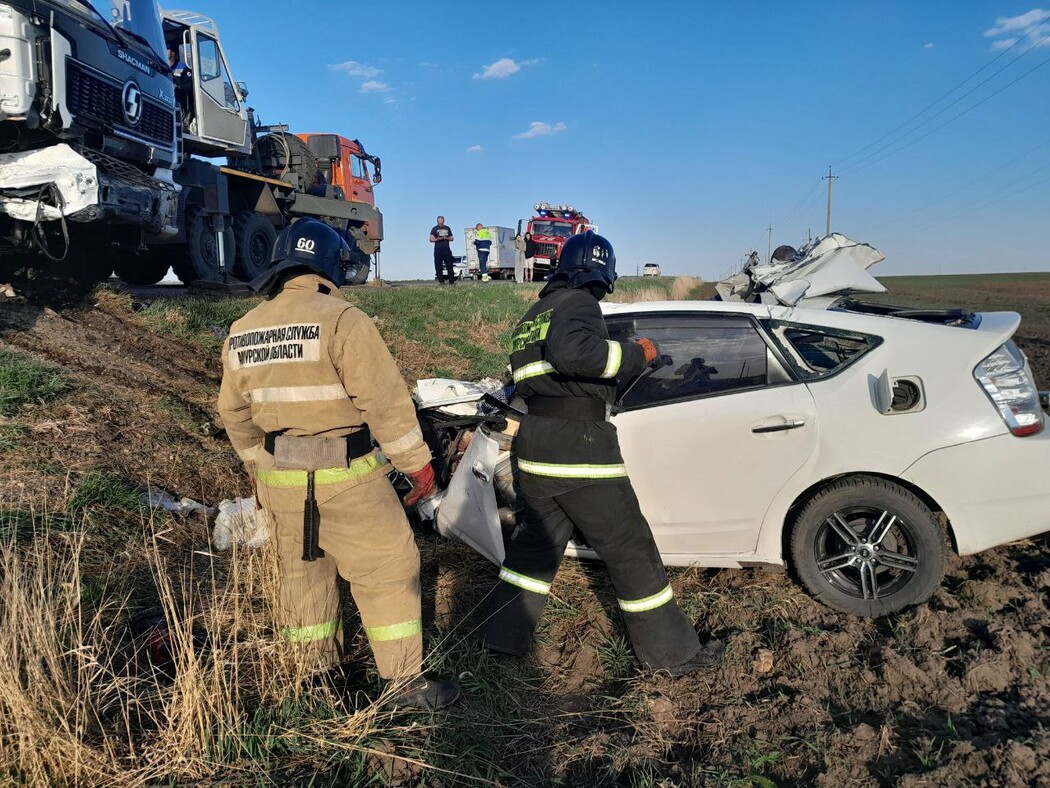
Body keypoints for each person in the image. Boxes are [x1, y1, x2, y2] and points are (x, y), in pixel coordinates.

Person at [217, 218, 460, 710]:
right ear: (329, 265)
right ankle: (402, 683)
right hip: (348, 477)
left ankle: (317, 681)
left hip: (280, 477)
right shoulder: (343, 319)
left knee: (303, 577)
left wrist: (253, 468)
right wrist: (418, 466)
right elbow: (386, 404)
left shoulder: (241, 331)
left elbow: (233, 412)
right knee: (388, 568)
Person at [481, 231, 724, 675]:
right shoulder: (578, 304)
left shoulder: (535, 314)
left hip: (536, 443)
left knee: (535, 548)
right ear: (599, 273)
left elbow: (541, 372)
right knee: (630, 547)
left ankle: (500, 637)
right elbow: (576, 354)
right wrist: (636, 353)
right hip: (580, 446)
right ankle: (674, 655)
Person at [167, 46, 193, 126]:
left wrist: (179, 87)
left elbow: (190, 85)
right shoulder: (161, 64)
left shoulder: (182, 67)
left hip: (178, 103)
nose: (165, 50)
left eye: (167, 48)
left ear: (173, 53)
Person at [430, 216, 455, 284]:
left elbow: (452, 238)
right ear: (437, 221)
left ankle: (451, 281)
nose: (440, 221)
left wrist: (446, 238)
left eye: (441, 220)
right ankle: (441, 281)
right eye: (439, 220)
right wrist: (437, 239)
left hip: (446, 249)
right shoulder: (434, 229)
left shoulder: (447, 228)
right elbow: (431, 239)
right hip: (438, 250)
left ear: (444, 221)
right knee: (438, 266)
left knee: (449, 265)